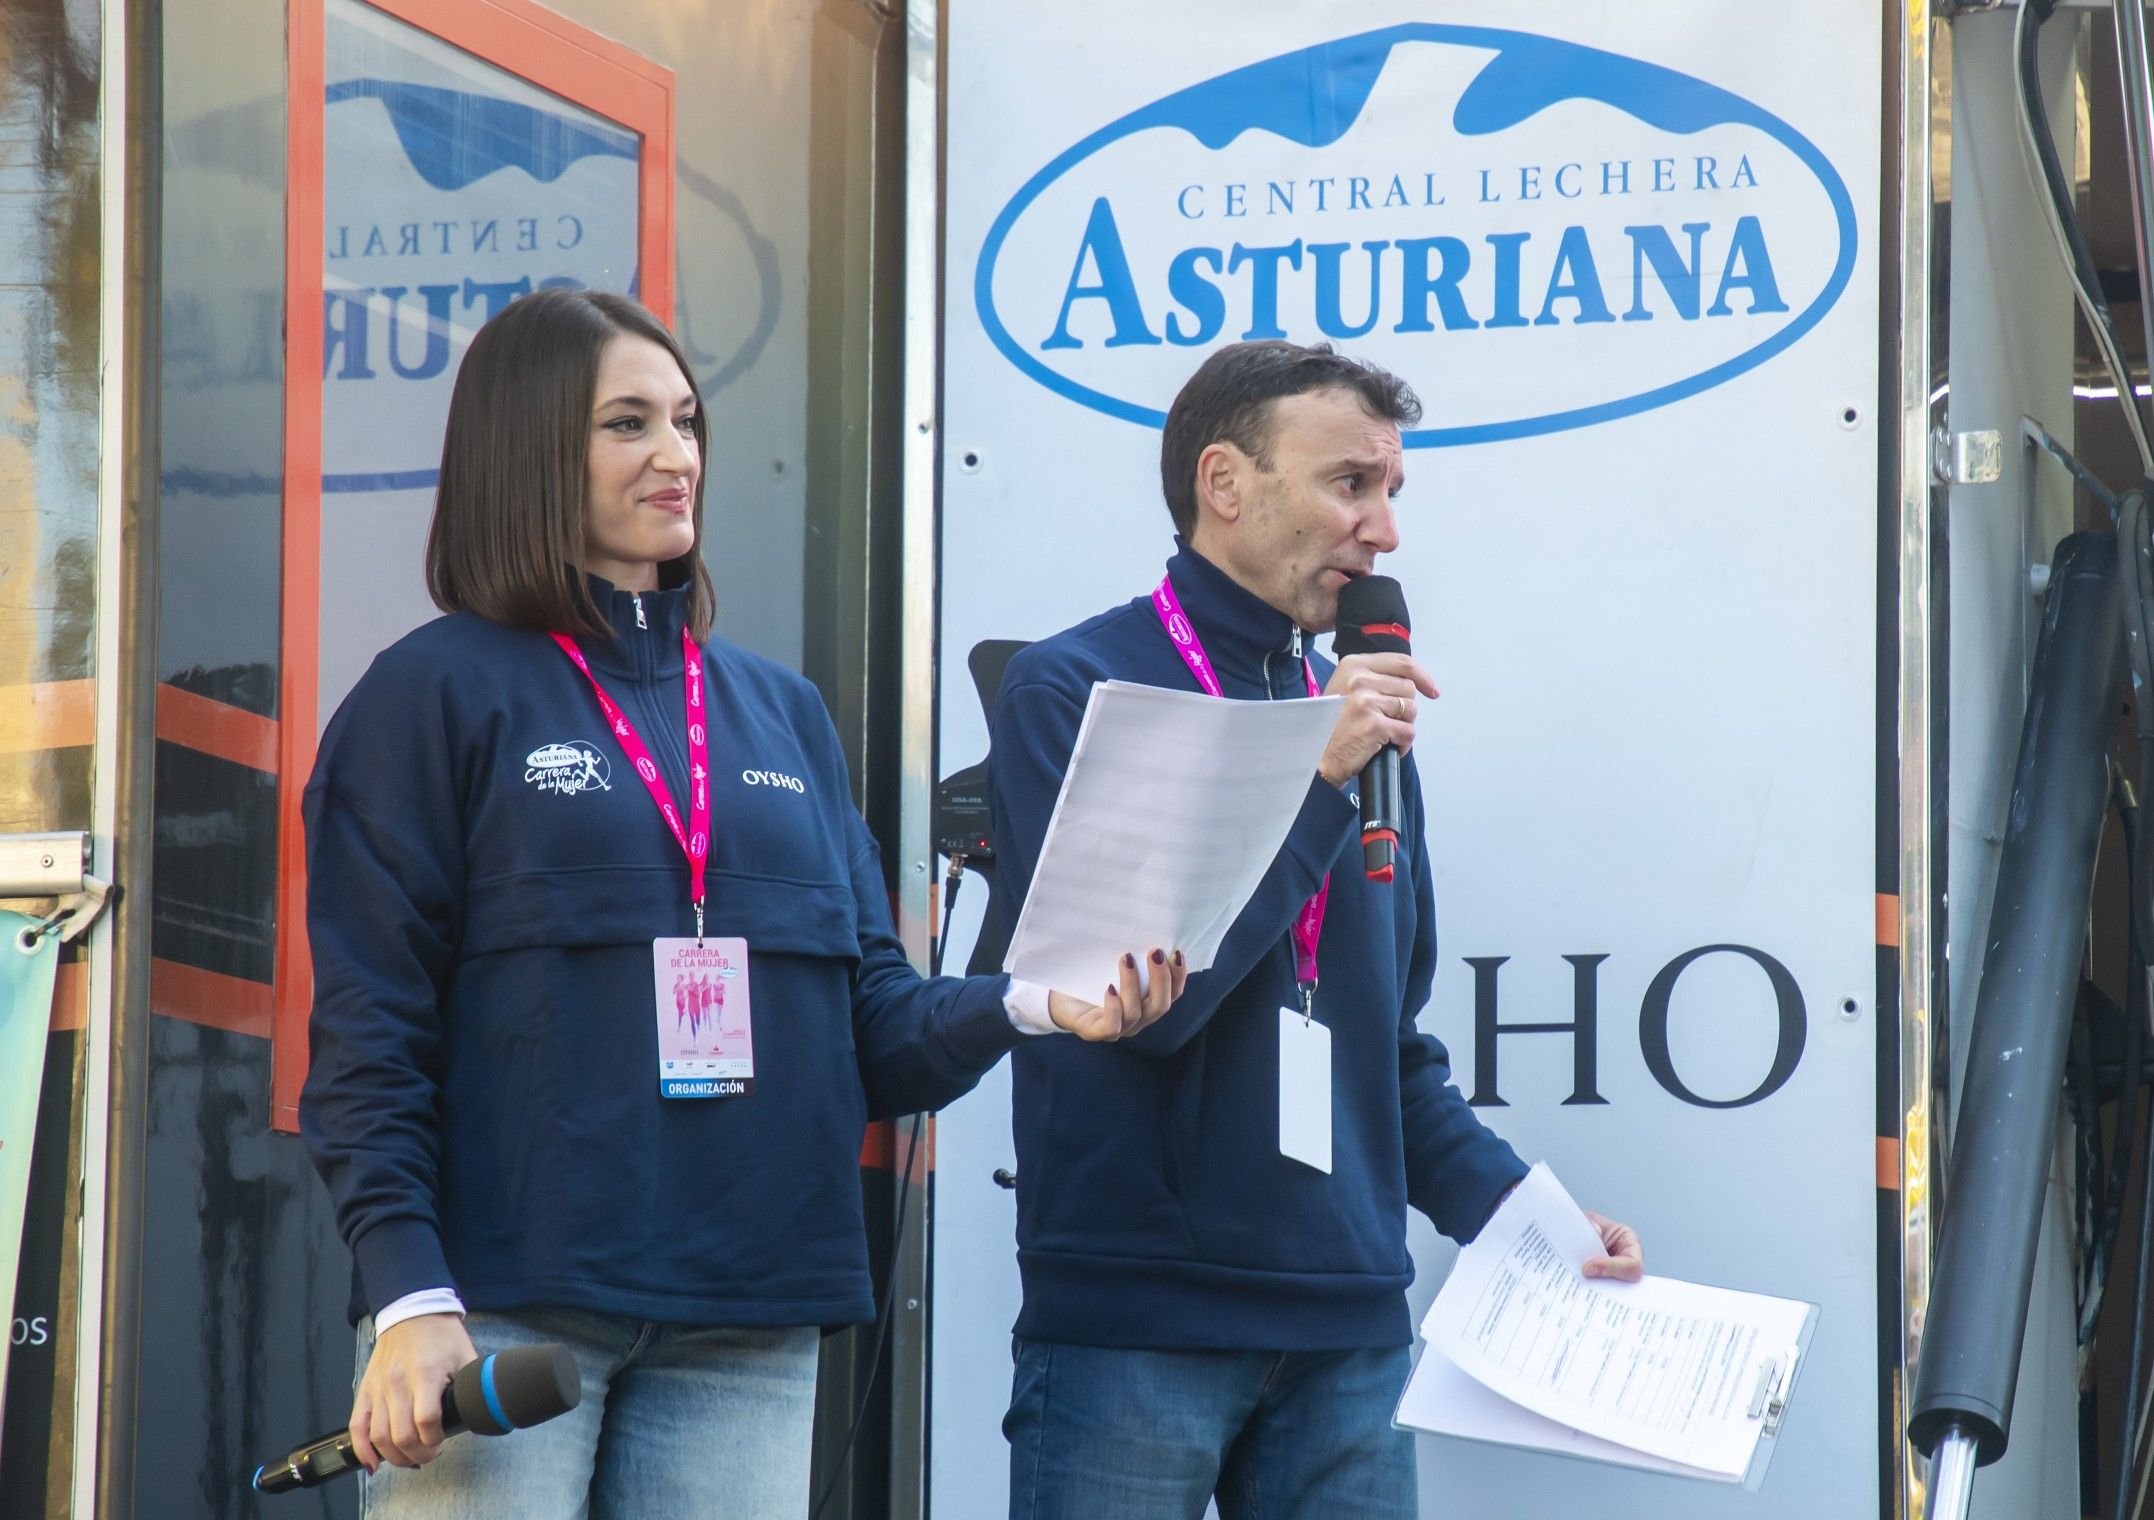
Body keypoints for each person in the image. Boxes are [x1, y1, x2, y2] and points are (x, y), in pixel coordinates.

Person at [299, 287, 1187, 1519]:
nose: (677, 455)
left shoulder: (781, 711)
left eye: (686, 419)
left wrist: (1035, 1002)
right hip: (508, 1309)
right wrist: (408, 1296)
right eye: (627, 424)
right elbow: (369, 1028)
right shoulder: (430, 694)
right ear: (529, 446)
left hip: (753, 1314)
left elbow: (875, 1030)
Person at [986, 340, 1643, 1520]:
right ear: (1224, 483)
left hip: (1349, 1335)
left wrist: (1532, 1225)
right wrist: (1317, 776)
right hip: (1141, 1330)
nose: (1384, 530)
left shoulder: (1355, 720)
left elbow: (1388, 1053)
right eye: (1351, 484)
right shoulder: (1076, 689)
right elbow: (1146, 1006)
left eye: (1393, 492)